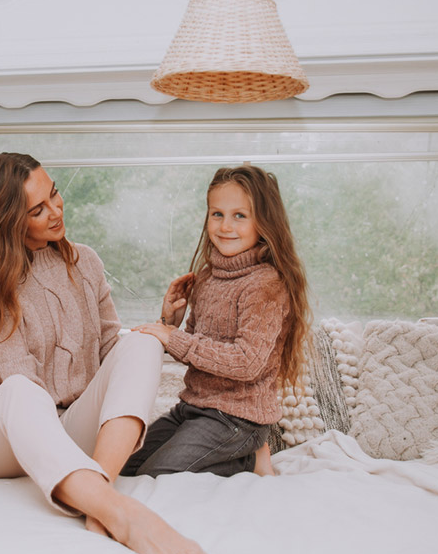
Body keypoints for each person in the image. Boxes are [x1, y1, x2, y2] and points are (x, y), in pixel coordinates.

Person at [0, 152, 216, 554]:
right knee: (22, 390)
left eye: (54, 194)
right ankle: (121, 513)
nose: (55, 211)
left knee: (142, 343)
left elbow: (111, 351)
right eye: (37, 210)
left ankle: (98, 497)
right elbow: (19, 378)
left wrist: (163, 325)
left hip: (63, 430)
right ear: (6, 221)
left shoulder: (84, 262)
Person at [122, 164, 311, 479]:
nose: (226, 226)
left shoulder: (266, 284)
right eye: (217, 214)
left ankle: (250, 460)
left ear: (264, 222)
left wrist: (173, 337)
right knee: (125, 466)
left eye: (240, 215)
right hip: (192, 408)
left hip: (236, 418)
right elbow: (198, 348)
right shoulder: (209, 276)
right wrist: (170, 321)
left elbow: (247, 363)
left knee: (158, 474)